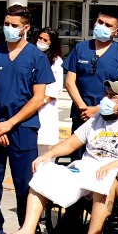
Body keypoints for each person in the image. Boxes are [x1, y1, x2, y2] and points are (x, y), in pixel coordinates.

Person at [1, 80, 118, 234]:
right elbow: (70, 144)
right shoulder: (96, 120)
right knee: (45, 171)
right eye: (106, 94)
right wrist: (48, 155)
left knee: (106, 178)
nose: (106, 99)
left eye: (112, 96)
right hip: (86, 172)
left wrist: (117, 164)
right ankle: (27, 231)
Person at [0, 4, 53, 234]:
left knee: (23, 182)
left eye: (14, 25)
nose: (9, 28)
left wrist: (10, 123)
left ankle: (26, 231)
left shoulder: (37, 57)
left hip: (22, 128)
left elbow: (38, 98)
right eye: (6, 24)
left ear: (26, 28)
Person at [63, 8, 118, 133]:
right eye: (100, 22)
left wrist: (97, 109)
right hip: (81, 115)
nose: (102, 26)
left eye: (108, 25)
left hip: (110, 116)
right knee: (76, 150)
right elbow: (69, 82)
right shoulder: (81, 48)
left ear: (116, 31)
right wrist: (82, 107)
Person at [34, 27, 64, 155]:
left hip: (45, 106)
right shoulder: (30, 55)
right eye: (40, 38)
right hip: (28, 103)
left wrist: (40, 101)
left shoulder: (56, 62)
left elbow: (55, 89)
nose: (41, 41)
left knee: (43, 147)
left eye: (45, 40)